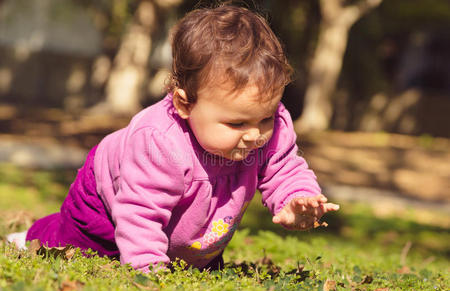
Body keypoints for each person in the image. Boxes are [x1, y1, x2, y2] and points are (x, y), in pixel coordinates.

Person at [7, 4, 339, 272]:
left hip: (188, 226)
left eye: (265, 117)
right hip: (105, 202)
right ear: (184, 103)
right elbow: (139, 211)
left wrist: (297, 199)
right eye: (236, 123)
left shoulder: (271, 127)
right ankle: (27, 236)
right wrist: (149, 271)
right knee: (76, 245)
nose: (255, 134)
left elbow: (284, 169)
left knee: (195, 261)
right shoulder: (160, 143)